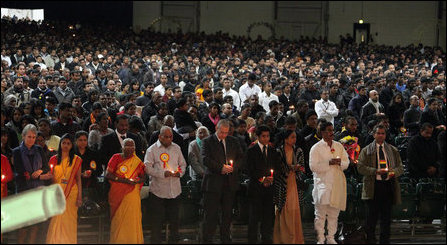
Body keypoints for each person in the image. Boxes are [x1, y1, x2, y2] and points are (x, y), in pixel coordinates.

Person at [357, 124, 404, 244]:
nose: (381, 135)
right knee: (371, 219)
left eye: (383, 133)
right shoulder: (366, 150)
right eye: (378, 133)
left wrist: (393, 172)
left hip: (388, 186)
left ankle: (384, 241)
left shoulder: (393, 150)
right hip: (373, 187)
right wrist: (375, 171)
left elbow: (400, 167)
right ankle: (371, 241)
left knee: (386, 219)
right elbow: (360, 168)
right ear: (374, 134)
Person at [201, 119, 244, 243]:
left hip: (229, 184)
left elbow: (240, 157)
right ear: (216, 129)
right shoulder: (207, 141)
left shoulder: (233, 141)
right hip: (213, 183)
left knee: (227, 215)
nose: (224, 135)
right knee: (211, 215)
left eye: (226, 132)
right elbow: (205, 159)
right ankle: (208, 239)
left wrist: (232, 168)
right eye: (222, 132)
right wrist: (221, 168)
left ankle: (225, 238)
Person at [144, 126, 187, 243]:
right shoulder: (151, 150)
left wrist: (180, 173)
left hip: (175, 191)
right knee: (157, 222)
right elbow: (147, 168)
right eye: (166, 137)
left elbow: (183, 164)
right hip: (158, 192)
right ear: (159, 136)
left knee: (175, 222)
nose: (169, 139)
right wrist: (163, 174)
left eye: (171, 137)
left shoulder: (176, 148)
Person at [309, 121, 349, 244]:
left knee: (334, 214)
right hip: (322, 185)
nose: (332, 133)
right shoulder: (316, 148)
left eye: (332, 130)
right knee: (320, 215)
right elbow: (313, 167)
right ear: (322, 132)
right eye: (329, 130)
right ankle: (320, 238)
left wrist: (339, 163)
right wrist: (329, 163)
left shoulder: (338, 146)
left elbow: (346, 162)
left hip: (337, 184)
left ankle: (331, 237)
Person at [12, 124, 52, 244]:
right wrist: (33, 175)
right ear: (23, 137)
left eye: (34, 137)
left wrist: (40, 172)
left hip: (38, 190)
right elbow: (18, 172)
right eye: (29, 136)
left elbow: (45, 167)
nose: (32, 139)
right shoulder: (16, 152)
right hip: (24, 191)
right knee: (24, 225)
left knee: (35, 224)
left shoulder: (39, 149)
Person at [106, 138, 146, 244]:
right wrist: (124, 181)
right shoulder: (116, 157)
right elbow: (108, 175)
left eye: (132, 146)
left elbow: (143, 177)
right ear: (122, 147)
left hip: (132, 194)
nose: (130, 148)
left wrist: (137, 180)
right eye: (127, 145)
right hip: (117, 194)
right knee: (118, 220)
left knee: (132, 220)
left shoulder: (137, 161)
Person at [46, 133, 83, 244]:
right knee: (56, 219)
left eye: (68, 143)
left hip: (71, 193)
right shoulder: (53, 159)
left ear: (72, 146)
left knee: (69, 221)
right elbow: (50, 179)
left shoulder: (76, 160)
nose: (66, 145)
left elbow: (78, 179)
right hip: (57, 193)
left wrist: (79, 197)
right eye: (64, 143)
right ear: (60, 144)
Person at [271, 129, 306, 244]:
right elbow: (278, 169)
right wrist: (289, 168)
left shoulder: (299, 151)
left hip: (295, 183)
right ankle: (283, 239)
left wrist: (297, 169)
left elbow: (302, 167)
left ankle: (295, 239)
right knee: (284, 209)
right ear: (285, 139)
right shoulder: (279, 151)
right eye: (292, 137)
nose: (294, 139)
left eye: (295, 137)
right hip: (283, 184)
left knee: (294, 209)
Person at [246, 125, 279, 244]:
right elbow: (249, 169)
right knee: (254, 216)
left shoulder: (272, 150)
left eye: (268, 136)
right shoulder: (251, 150)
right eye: (263, 136)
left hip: (269, 188)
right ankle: (252, 238)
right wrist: (262, 179)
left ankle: (266, 236)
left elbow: (276, 167)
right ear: (258, 136)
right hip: (256, 188)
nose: (266, 139)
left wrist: (271, 178)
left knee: (267, 215)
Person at [74, 131, 102, 202]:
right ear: (76, 141)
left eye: (85, 140)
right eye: (80, 140)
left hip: (90, 184)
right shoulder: (72, 154)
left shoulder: (93, 154)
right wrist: (80, 174)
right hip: (74, 183)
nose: (83, 142)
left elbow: (99, 170)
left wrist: (91, 173)